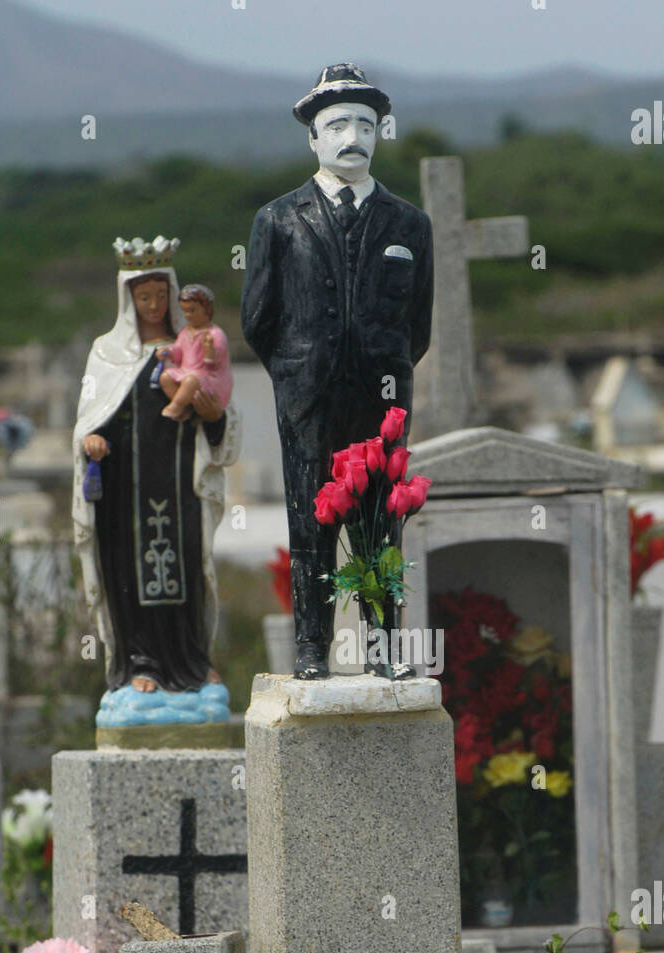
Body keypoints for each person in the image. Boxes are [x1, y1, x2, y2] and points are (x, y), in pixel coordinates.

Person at [241, 63, 433, 679]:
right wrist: (299, 371)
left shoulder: (409, 224)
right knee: (309, 516)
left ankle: (382, 648)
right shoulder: (277, 221)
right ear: (313, 138)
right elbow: (259, 319)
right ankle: (311, 650)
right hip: (308, 394)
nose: (353, 135)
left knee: (382, 515)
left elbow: (417, 322)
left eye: (366, 124)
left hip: (380, 393)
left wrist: (386, 369)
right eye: (338, 124)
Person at [73, 236, 240, 699]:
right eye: (143, 297)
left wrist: (214, 416)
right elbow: (90, 417)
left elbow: (223, 411)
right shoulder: (107, 354)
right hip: (126, 486)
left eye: (161, 295)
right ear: (128, 298)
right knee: (133, 572)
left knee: (184, 565)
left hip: (179, 476)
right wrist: (91, 441)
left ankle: (191, 660)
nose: (153, 304)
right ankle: (139, 662)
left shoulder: (191, 349)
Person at [157, 283, 233, 421]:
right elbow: (178, 349)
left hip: (209, 376)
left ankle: (176, 405)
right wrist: (168, 351)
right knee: (165, 377)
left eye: (192, 311)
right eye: (185, 311)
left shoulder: (214, 333)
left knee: (191, 381)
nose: (188, 315)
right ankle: (185, 408)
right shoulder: (186, 332)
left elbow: (217, 358)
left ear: (206, 310)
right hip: (187, 371)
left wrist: (209, 350)